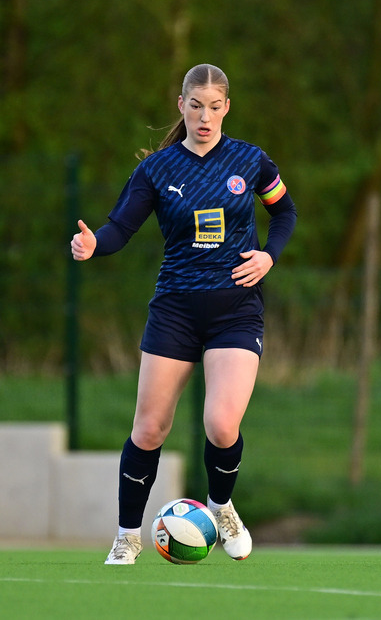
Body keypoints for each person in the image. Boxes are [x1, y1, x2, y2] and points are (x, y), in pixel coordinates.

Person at [71, 63, 296, 564]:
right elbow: (118, 230)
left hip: (236, 310)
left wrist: (269, 255)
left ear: (227, 109)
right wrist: (93, 245)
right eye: (196, 105)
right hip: (174, 310)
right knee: (149, 429)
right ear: (181, 105)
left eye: (215, 107)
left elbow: (285, 212)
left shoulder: (251, 161)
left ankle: (220, 507)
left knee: (220, 424)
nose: (205, 116)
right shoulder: (157, 169)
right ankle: (128, 536)